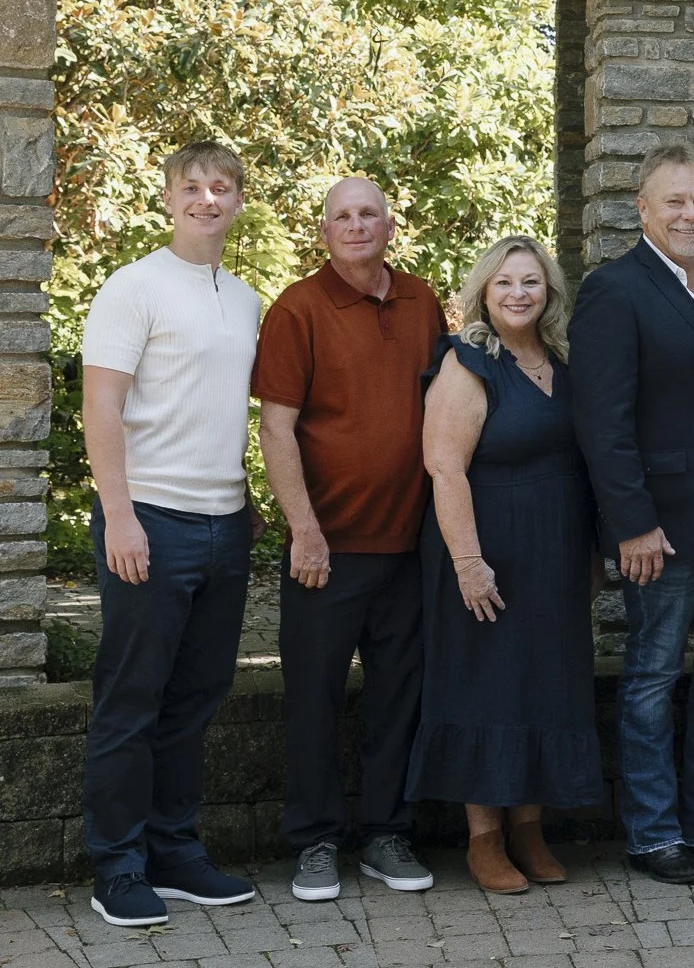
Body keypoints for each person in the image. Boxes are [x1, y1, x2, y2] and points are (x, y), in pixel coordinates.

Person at [79, 141, 263, 928]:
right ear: (167, 198)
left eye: (220, 187)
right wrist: (119, 514)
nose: (206, 198)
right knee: (132, 698)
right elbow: (101, 407)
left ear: (238, 201)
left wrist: (245, 501)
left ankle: (175, 851)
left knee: (195, 698)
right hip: (149, 520)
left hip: (225, 524)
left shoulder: (247, 299)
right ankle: (118, 865)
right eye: (191, 186)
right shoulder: (134, 287)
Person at [570, 144, 694, 886]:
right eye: (675, 202)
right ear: (642, 209)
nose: (691, 214)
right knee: (652, 673)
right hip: (661, 525)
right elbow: (603, 422)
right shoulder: (614, 290)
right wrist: (632, 521)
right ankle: (653, 833)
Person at [256, 177, 443, 903]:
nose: (357, 225)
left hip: (410, 545)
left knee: (400, 699)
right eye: (343, 216)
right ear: (324, 231)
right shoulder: (298, 308)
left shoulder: (422, 300)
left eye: (369, 214)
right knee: (313, 702)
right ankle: (314, 841)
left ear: (390, 226)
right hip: (325, 551)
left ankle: (386, 834)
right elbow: (276, 428)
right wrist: (304, 530)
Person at [413, 236, 602, 894]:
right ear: (484, 294)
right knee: (487, 684)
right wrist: (469, 564)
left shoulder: (563, 360)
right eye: (505, 283)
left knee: (544, 681)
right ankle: (485, 838)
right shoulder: (467, 363)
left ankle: (529, 828)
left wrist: (591, 555)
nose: (519, 294)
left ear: (548, 291)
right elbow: (444, 467)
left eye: (530, 282)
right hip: (486, 549)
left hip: (555, 552)